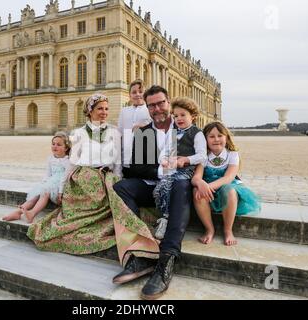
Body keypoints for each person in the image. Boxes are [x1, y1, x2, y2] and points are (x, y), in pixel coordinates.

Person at [27, 93, 159, 273]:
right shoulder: (79, 133)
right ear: (90, 111)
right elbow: (72, 162)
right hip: (83, 177)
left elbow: (118, 162)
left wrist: (118, 178)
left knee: (116, 194)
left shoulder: (114, 132)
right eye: (99, 109)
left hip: (106, 176)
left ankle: (137, 242)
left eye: (106, 109)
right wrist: (61, 187)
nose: (104, 112)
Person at [113, 86, 196, 300]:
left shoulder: (186, 128)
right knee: (121, 187)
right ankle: (142, 253)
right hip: (153, 185)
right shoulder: (144, 131)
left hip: (179, 188)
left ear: (169, 102)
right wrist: (161, 170)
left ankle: (166, 259)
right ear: (147, 107)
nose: (157, 108)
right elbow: (135, 168)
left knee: (180, 184)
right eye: (152, 105)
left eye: (161, 103)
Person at [193, 122, 261, 247]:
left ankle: (228, 230)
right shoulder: (203, 156)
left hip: (226, 186)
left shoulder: (232, 154)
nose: (216, 139)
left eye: (220, 135)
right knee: (197, 191)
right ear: (205, 140)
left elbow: (228, 177)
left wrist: (208, 187)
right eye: (211, 136)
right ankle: (209, 229)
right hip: (209, 188)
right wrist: (200, 183)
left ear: (226, 137)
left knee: (230, 191)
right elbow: (196, 177)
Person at [153, 98, 207, 240]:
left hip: (188, 170)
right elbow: (164, 150)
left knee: (171, 185)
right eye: (176, 116)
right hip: (172, 168)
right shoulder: (172, 132)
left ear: (193, 116)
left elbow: (202, 156)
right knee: (160, 189)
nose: (179, 118)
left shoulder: (197, 133)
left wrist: (187, 159)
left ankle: (166, 218)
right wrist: (163, 160)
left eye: (183, 115)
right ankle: (164, 215)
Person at [2, 132, 73, 223]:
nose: (55, 146)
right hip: (50, 183)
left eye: (59, 145)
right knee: (38, 192)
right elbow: (47, 175)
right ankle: (18, 212)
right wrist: (43, 185)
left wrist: (60, 192)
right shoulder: (50, 159)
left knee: (45, 192)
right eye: (53, 144)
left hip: (59, 187)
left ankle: (32, 214)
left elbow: (64, 179)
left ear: (66, 148)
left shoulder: (67, 161)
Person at [118, 79, 152, 178]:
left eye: (140, 92)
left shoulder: (149, 110)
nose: (137, 94)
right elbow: (120, 132)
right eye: (134, 92)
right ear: (129, 95)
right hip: (126, 157)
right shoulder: (124, 111)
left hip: (143, 158)